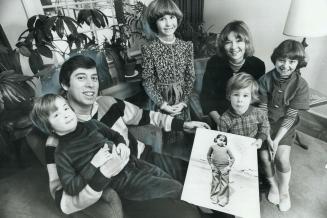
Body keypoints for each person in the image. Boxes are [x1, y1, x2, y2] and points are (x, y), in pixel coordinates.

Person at [43, 55, 209, 216]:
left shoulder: (107, 102)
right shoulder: (58, 139)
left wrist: (184, 125)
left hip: (147, 158)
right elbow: (61, 199)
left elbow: (145, 116)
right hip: (123, 184)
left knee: (208, 178)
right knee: (185, 212)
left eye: (94, 78)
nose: (90, 84)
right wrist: (100, 179)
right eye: (81, 78)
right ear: (65, 85)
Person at [30, 94, 183, 203]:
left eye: (65, 108)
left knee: (171, 179)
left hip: (134, 162)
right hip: (121, 180)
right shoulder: (62, 153)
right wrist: (94, 164)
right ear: (50, 128)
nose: (66, 114)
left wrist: (122, 144)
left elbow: (115, 135)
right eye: (57, 115)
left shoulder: (91, 124)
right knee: (175, 188)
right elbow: (70, 187)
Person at [258, 39, 310, 212]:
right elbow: (263, 109)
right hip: (265, 125)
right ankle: (273, 185)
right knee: (265, 157)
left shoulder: (301, 85)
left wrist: (276, 139)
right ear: (275, 59)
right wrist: (267, 135)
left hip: (284, 128)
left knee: (281, 157)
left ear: (298, 63)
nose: (286, 65)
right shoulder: (265, 79)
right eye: (282, 59)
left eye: (292, 61)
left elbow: (291, 115)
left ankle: (284, 190)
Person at [142, 0, 195, 146]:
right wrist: (162, 104)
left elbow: (190, 76)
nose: (168, 23)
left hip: (181, 100)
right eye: (162, 19)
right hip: (161, 100)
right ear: (155, 22)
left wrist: (184, 102)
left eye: (172, 17)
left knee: (184, 136)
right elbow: (147, 80)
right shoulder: (149, 48)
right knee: (164, 139)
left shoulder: (186, 46)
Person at [200, 20, 265, 128]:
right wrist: (220, 121)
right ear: (223, 45)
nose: (234, 47)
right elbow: (206, 97)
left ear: (247, 43)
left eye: (239, 41)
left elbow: (257, 99)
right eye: (228, 42)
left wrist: (245, 122)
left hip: (247, 118)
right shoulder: (214, 62)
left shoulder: (258, 65)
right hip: (220, 117)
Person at [217, 73, 270, 149]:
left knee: (265, 159)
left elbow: (265, 126)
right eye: (236, 94)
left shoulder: (259, 113)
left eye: (245, 96)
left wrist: (260, 139)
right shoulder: (224, 119)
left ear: (251, 98)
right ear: (229, 96)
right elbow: (222, 138)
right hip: (235, 147)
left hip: (255, 145)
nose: (240, 100)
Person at [207, 134, 235, 207]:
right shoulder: (212, 147)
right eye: (220, 140)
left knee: (224, 184)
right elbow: (208, 156)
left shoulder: (227, 148)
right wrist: (211, 164)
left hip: (225, 168)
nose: (222, 142)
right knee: (215, 183)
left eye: (224, 141)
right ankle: (214, 197)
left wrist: (229, 167)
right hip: (215, 167)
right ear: (216, 139)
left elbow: (232, 158)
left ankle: (223, 199)